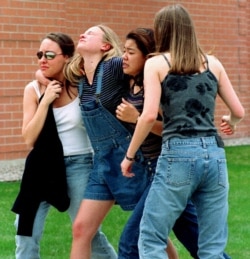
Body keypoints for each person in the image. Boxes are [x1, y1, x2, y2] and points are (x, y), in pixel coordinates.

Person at [121, 4, 245, 259]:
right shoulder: (214, 63)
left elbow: (146, 116)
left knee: (151, 237)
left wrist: (129, 156)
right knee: (212, 247)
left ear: (163, 31)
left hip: (178, 154)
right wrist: (230, 121)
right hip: (215, 155)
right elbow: (239, 111)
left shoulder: (156, 64)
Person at [11, 32, 117, 259]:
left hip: (79, 165)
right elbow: (29, 138)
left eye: (49, 54)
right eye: (39, 54)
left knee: (88, 233)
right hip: (40, 168)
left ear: (67, 57)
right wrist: (45, 100)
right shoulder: (33, 90)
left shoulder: (82, 86)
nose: (42, 60)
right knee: (25, 234)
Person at [64, 24, 149, 259]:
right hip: (101, 163)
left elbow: (144, 66)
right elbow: (53, 70)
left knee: (147, 231)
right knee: (81, 229)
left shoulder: (112, 66)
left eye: (91, 32)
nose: (83, 33)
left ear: (106, 46)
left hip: (128, 161)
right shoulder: (82, 78)